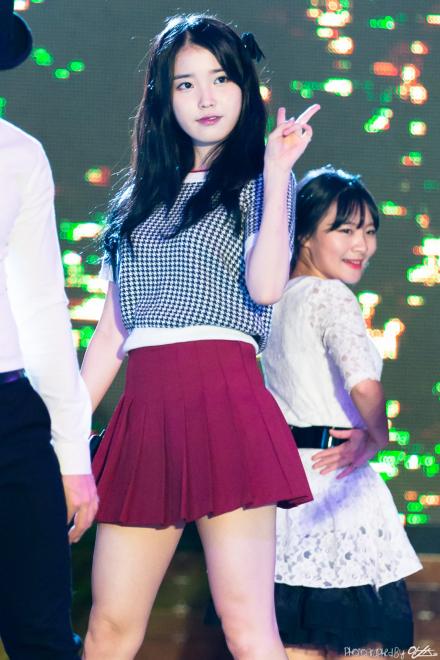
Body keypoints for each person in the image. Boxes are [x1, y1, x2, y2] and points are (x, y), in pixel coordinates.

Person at [80, 13, 320, 660]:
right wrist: (63, 434)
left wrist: (277, 172)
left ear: (244, 87)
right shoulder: (133, 202)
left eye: (220, 79)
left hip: (226, 405)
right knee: (109, 627)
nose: (206, 97)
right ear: (164, 97)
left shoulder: (258, 183)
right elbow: (112, 332)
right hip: (145, 415)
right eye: (186, 84)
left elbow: (266, 288)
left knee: (247, 627)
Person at [262, 166, 422, 659]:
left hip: (282, 487)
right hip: (336, 487)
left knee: (290, 640)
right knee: (359, 645)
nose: (362, 245)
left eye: (369, 231)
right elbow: (364, 385)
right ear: (305, 235)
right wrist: (377, 437)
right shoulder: (330, 296)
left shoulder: (273, 298)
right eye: (345, 229)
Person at [0, 3, 98, 658]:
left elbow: (41, 308)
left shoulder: (18, 154)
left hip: (10, 414)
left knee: (41, 636)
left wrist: (72, 457)